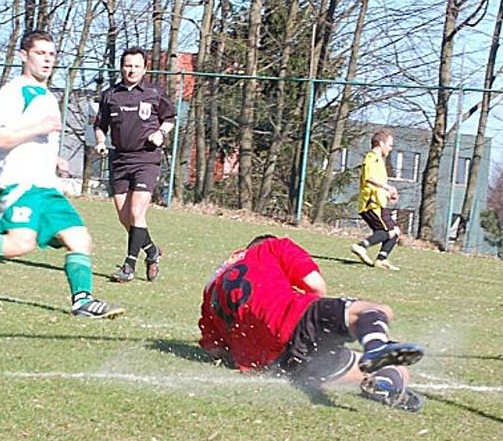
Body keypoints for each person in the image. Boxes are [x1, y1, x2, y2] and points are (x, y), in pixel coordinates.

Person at [0, 30, 124, 319]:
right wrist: (37, 129)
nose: (47, 60)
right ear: (23, 56)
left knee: (81, 239)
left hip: (47, 187)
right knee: (19, 244)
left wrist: (55, 158)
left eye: (52, 55)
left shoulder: (48, 96)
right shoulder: (13, 92)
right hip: (21, 184)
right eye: (41, 53)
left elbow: (35, 140)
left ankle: (82, 301)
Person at [198, 235, 425, 412]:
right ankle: (376, 348)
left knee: (394, 369)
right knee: (378, 311)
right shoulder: (273, 246)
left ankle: (383, 385)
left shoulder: (211, 291)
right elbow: (316, 287)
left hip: (274, 364)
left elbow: (215, 349)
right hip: (292, 321)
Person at [93, 47, 175, 283]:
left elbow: (169, 118)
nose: (132, 70)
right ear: (121, 67)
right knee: (124, 217)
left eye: (137, 66)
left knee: (137, 212)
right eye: (128, 65)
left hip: (146, 159)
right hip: (119, 159)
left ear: (144, 68)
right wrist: (100, 142)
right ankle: (151, 251)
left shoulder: (153, 93)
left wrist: (160, 133)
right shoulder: (111, 95)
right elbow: (100, 125)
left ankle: (129, 265)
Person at [351, 129, 401, 271]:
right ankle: (360, 246)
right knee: (387, 231)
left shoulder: (379, 161)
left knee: (394, 231)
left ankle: (381, 259)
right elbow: (369, 178)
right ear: (381, 143)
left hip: (379, 204)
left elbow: (376, 183)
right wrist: (387, 187)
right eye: (390, 145)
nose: (391, 149)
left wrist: (388, 194)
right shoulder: (371, 157)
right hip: (371, 204)